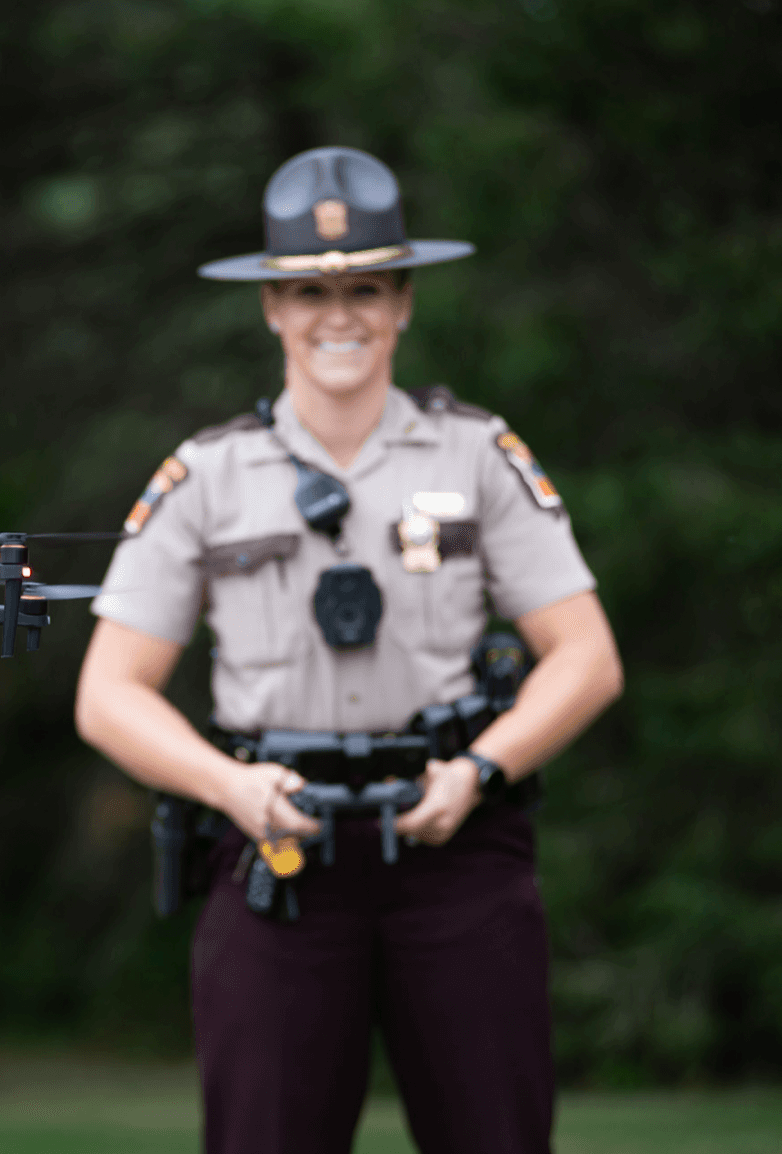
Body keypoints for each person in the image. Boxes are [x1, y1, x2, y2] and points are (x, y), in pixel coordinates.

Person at [73, 146, 624, 1154]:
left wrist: (478, 768)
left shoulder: (474, 454)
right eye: (309, 290)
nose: (339, 313)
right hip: (277, 848)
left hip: (452, 845)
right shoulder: (205, 476)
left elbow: (584, 654)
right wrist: (224, 787)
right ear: (271, 308)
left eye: (364, 286)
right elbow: (109, 691)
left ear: (403, 301)